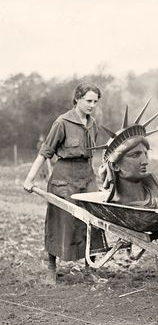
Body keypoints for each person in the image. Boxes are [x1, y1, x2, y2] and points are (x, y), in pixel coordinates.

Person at [24, 82, 106, 284]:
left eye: (95, 101)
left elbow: (92, 155)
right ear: (77, 99)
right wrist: (30, 178)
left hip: (86, 177)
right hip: (64, 178)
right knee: (60, 222)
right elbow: (45, 152)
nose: (92, 105)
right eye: (88, 101)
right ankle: (52, 269)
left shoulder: (93, 124)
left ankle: (90, 269)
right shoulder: (62, 122)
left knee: (94, 221)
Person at [95, 102, 158, 209]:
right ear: (115, 166)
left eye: (145, 153)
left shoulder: (157, 198)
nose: (145, 161)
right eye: (135, 155)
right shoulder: (114, 205)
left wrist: (151, 182)